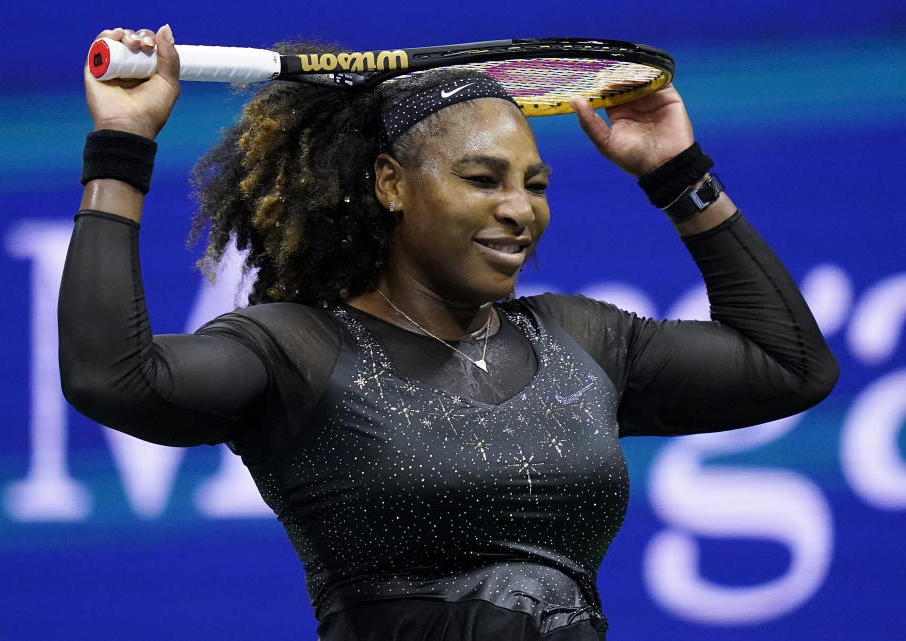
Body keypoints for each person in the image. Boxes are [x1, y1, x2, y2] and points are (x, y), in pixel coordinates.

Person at [60, 25, 839, 641]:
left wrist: (677, 173)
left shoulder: (580, 337)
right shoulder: (295, 351)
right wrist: (122, 146)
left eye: (535, 185)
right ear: (390, 184)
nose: (519, 208)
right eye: (482, 178)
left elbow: (790, 366)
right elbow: (112, 377)